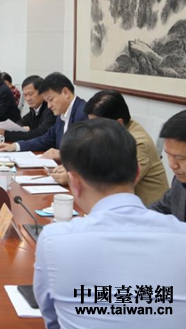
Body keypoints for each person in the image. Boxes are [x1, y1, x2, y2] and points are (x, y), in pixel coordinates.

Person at [34, 119, 186, 329]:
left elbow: (52, 320)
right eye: (170, 156)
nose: (173, 165)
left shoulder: (53, 240)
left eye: (180, 158)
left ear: (73, 182)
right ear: (137, 173)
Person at [82, 90, 168, 205]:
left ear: (119, 123)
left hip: (148, 210)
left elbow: (116, 186)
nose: (93, 130)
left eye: (98, 126)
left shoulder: (138, 144)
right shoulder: (114, 134)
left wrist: (79, 178)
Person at [0, 72, 87, 161]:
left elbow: (87, 153)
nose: (49, 106)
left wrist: (63, 155)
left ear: (65, 93)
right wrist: (15, 146)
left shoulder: (83, 113)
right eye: (47, 101)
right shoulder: (62, 114)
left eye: (51, 99)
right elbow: (45, 139)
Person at [149, 110, 186, 221]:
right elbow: (162, 208)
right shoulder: (180, 181)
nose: (172, 165)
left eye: (180, 158)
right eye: (168, 155)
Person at [0, 75, 56, 142]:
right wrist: (21, 128)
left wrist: (7, 134)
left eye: (30, 94)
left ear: (42, 92)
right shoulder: (33, 110)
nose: (28, 99)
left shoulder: (51, 110)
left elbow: (39, 134)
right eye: (25, 95)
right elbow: (20, 122)